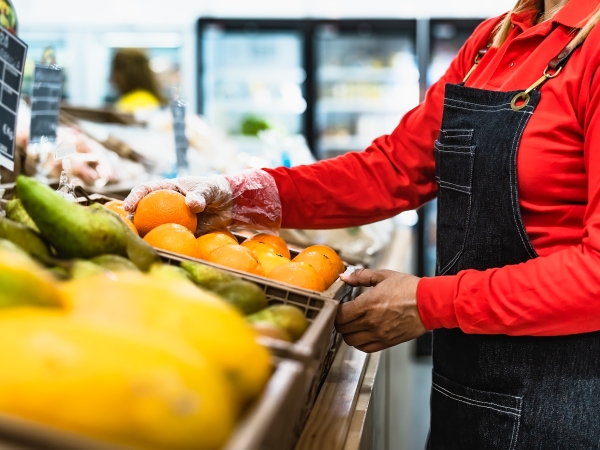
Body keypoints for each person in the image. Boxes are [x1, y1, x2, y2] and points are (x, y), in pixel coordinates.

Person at [124, 0, 600, 446]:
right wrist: (237, 195)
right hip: (468, 374)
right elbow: (393, 169)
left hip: (564, 392)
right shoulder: (492, 41)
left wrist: (430, 301)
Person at [109, 48, 164, 114]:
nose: (112, 76)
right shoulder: (147, 98)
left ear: (121, 73)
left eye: (114, 70)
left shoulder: (132, 104)